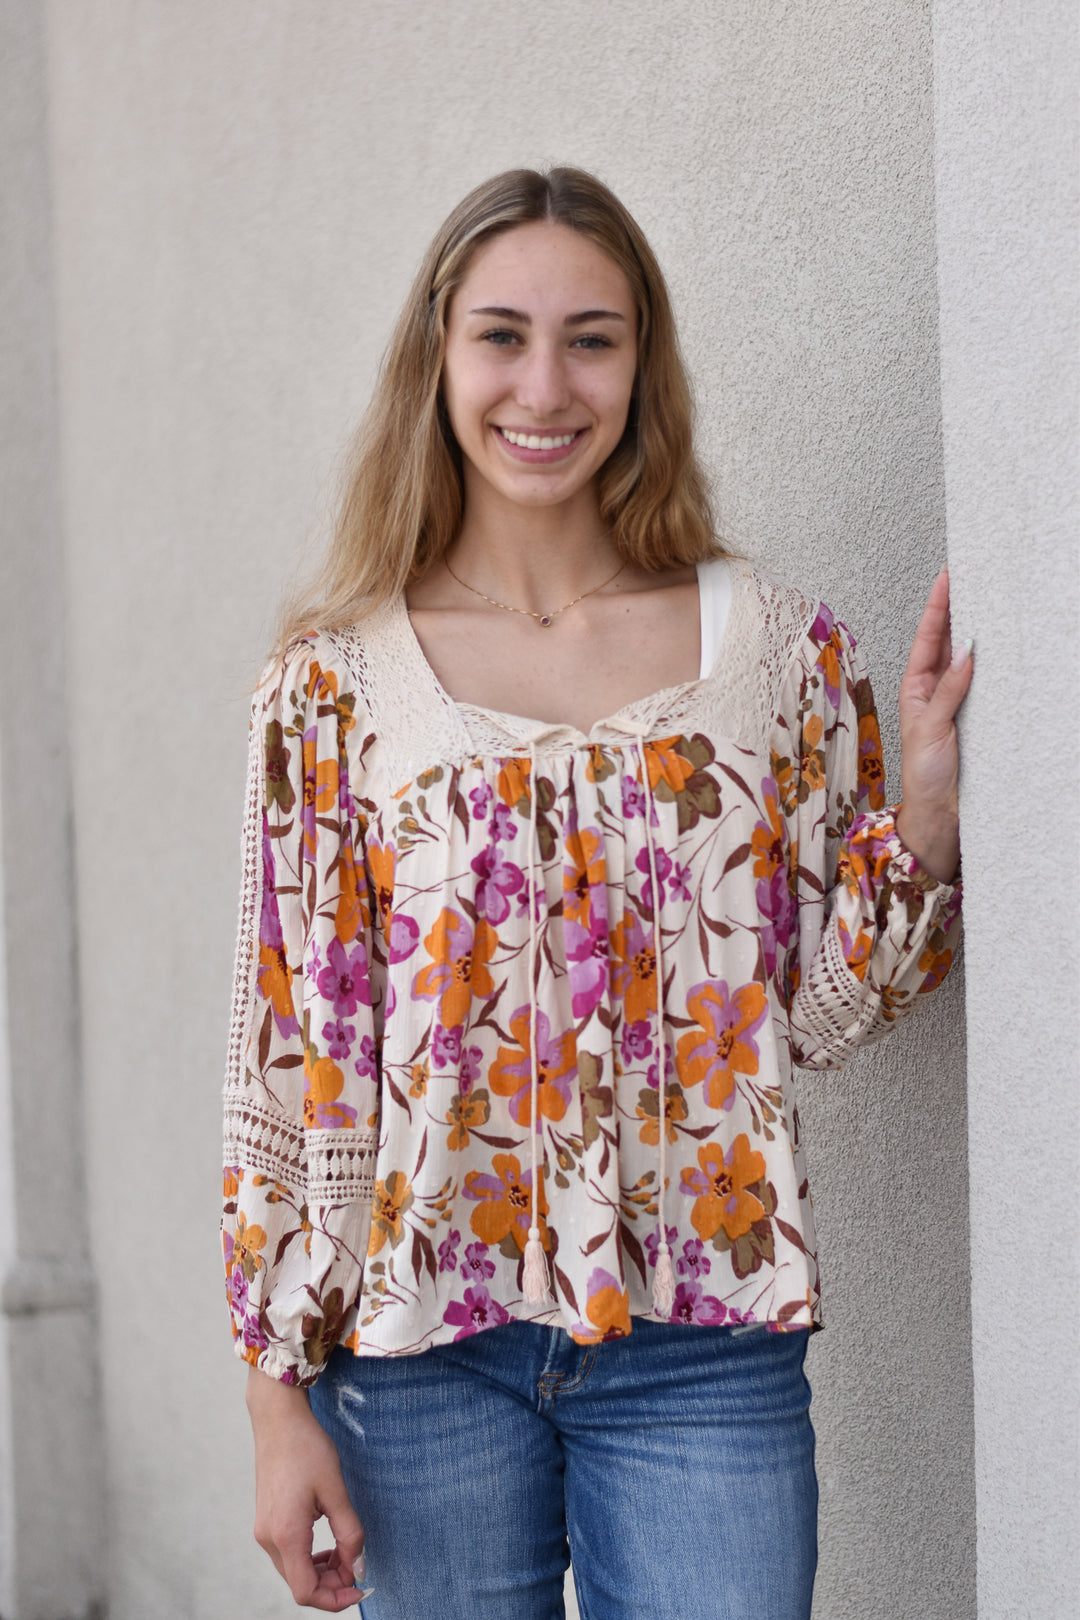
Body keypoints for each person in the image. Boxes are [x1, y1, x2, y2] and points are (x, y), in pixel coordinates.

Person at [222, 166, 970, 1619]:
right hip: (416, 1355)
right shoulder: (330, 690)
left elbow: (815, 1016)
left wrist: (925, 818)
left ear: (645, 362)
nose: (544, 385)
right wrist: (274, 1402)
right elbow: (286, 1066)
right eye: (502, 335)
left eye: (593, 337)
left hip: (706, 1344)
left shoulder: (775, 654)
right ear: (437, 358)